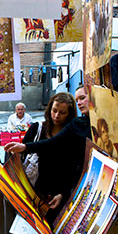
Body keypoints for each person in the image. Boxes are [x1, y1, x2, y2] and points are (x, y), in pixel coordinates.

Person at [22, 92, 77, 223]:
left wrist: (63, 193)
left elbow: (73, 167)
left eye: (62, 112)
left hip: (57, 194)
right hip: (33, 190)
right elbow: (21, 155)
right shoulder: (37, 129)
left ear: (69, 114)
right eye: (54, 110)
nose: (57, 116)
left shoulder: (72, 136)